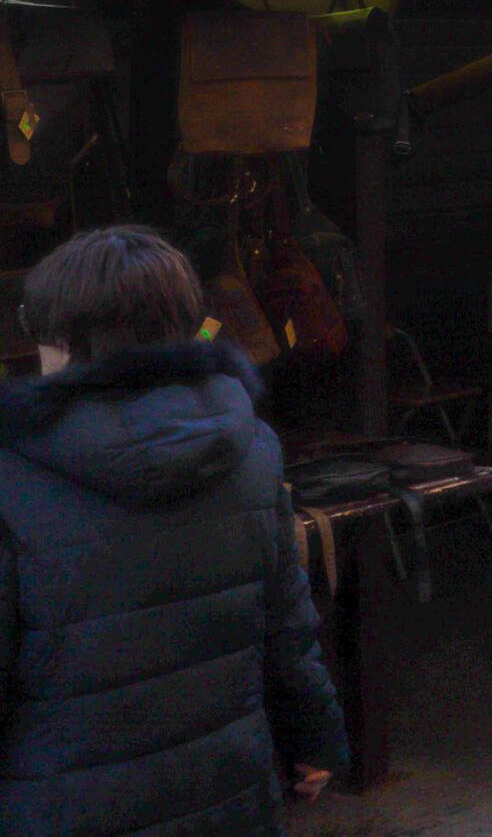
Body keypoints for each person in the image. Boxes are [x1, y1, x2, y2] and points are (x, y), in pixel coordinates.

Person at [0, 226, 346, 834]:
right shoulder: (251, 450)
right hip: (228, 795)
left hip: (64, 810)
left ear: (67, 335)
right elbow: (288, 631)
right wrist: (315, 741)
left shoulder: (15, 474)